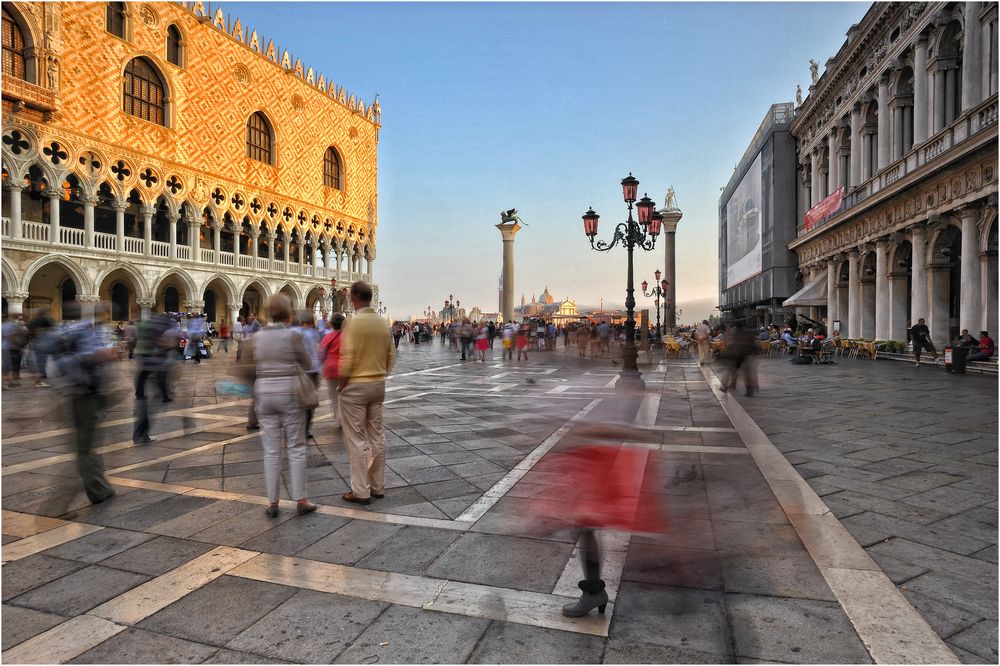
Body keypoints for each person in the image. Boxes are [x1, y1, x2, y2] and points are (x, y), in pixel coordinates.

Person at [253, 294, 316, 518]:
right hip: (289, 393)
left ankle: (272, 503)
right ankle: (301, 499)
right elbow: (308, 363)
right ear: (288, 314)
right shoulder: (294, 335)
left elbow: (250, 366)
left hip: (264, 395)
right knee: (296, 446)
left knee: (270, 451)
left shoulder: (257, 337)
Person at [338, 282, 394, 505]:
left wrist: (342, 384)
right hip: (377, 385)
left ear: (354, 299)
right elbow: (391, 356)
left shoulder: (353, 323)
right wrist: (380, 375)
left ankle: (361, 491)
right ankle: (378, 486)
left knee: (357, 439)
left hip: (355, 387)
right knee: (377, 436)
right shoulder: (382, 323)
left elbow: (347, 358)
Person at [56, 301, 117, 504]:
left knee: (89, 444)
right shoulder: (85, 330)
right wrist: (103, 355)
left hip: (87, 392)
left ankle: (101, 486)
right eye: (107, 313)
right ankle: (95, 490)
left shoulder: (85, 330)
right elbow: (85, 357)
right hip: (84, 394)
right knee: (86, 447)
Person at [133, 313, 176, 445]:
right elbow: (159, 369)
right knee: (147, 406)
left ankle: (140, 434)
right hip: (151, 375)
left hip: (145, 376)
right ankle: (141, 435)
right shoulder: (156, 344)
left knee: (144, 404)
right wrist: (165, 394)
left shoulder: (147, 341)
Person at [292, 310, 322, 441]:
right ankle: (305, 429)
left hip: (303, 371)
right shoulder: (313, 333)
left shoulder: (296, 333)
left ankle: (299, 429)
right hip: (312, 371)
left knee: (299, 401)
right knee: (309, 403)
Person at [319, 313, 346, 428]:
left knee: (334, 397)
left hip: (330, 368)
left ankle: (339, 421)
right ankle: (346, 419)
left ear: (332, 324)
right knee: (346, 396)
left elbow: (321, 354)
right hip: (345, 369)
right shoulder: (348, 337)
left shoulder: (327, 337)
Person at [27, 308, 56, 387]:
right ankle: (62, 373)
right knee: (57, 357)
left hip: (36, 342)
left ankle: (42, 375)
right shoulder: (47, 319)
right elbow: (53, 329)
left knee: (40, 361)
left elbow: (30, 332)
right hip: (48, 341)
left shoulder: (32, 321)